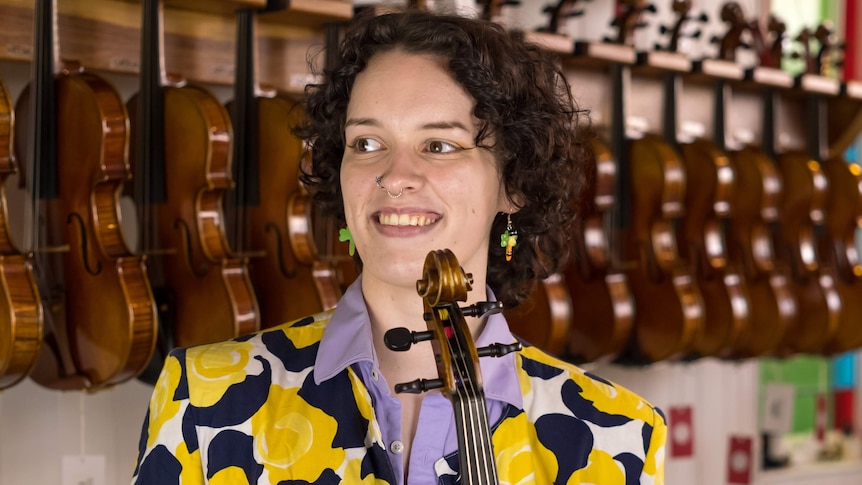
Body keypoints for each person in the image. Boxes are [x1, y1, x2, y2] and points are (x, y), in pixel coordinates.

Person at [131, 8, 666, 485]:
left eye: (439, 144)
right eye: (367, 143)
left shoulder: (610, 439)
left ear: (515, 182)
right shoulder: (204, 399)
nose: (395, 175)